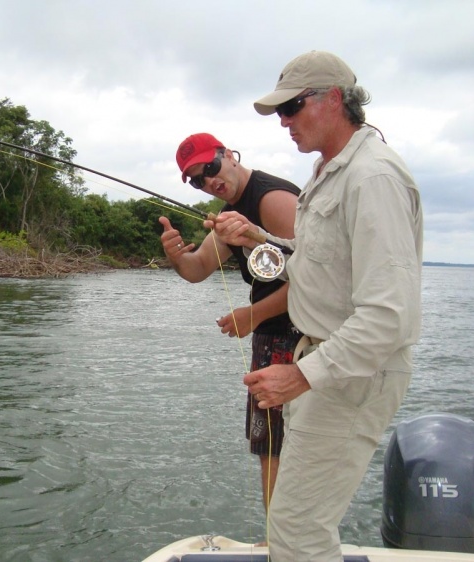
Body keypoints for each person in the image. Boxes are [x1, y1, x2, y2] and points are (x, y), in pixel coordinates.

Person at [210, 51, 424, 561]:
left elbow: (389, 314)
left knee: (297, 528)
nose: (283, 121)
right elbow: (316, 263)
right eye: (278, 112)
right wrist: (255, 235)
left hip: (351, 373)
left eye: (292, 107)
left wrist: (303, 377)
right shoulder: (328, 173)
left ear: (333, 99)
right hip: (326, 364)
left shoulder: (372, 178)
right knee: (292, 520)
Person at [159, 132, 302, 516]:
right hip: (271, 337)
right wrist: (176, 255)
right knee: (269, 446)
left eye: (210, 167)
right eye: (196, 179)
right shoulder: (228, 217)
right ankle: (279, 540)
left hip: (305, 338)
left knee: (297, 448)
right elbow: (198, 269)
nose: (209, 181)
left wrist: (252, 314)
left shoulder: (272, 200)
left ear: (229, 155)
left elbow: (322, 281)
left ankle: (291, 541)